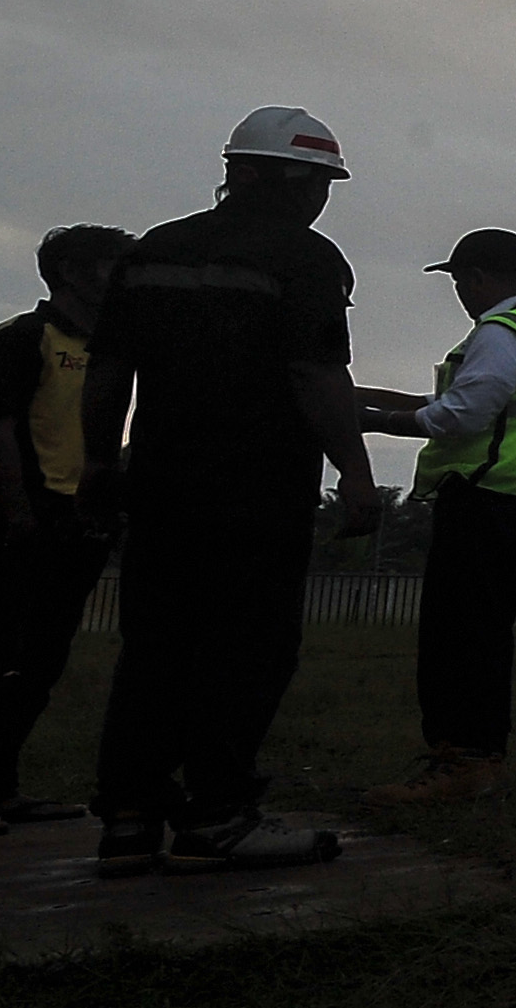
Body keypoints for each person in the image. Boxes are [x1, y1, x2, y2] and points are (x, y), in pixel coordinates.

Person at [81, 106, 380, 875]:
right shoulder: (304, 259)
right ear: (262, 176)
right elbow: (315, 374)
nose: (317, 197)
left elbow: (109, 372)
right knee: (245, 647)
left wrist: (98, 466)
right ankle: (218, 812)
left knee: (154, 646)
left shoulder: (153, 252)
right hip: (257, 488)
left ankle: (130, 814)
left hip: (159, 484)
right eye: (311, 181)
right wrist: (354, 469)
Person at [0, 224, 135, 836]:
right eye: (112, 266)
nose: (122, 279)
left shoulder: (112, 348)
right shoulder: (21, 338)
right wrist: (18, 515)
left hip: (80, 517)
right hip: (21, 516)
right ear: (71, 272)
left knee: (41, 661)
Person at [355, 227, 516, 807]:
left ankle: (461, 760)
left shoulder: (500, 332)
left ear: (476, 278)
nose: (459, 292)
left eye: (457, 280)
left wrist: (373, 422)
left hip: (485, 499)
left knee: (458, 638)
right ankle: (477, 758)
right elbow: (475, 406)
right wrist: (377, 400)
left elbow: (463, 416)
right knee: (481, 633)